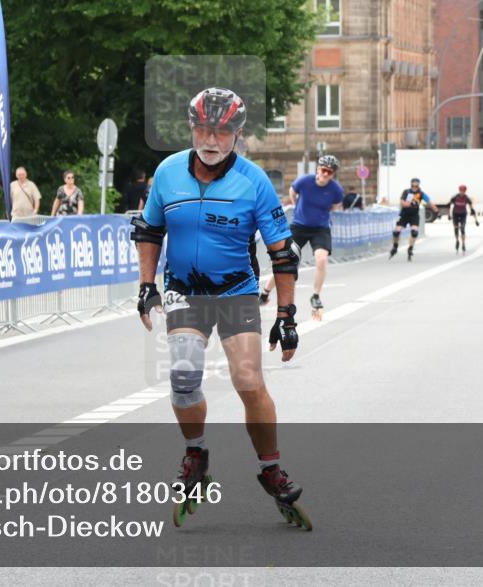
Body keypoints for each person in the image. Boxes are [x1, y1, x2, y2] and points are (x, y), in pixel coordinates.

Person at [133, 87, 310, 529]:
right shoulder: (168, 172)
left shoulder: (254, 182)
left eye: (222, 132)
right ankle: (196, 453)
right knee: (184, 375)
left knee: (248, 380)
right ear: (191, 128)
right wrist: (145, 285)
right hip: (184, 292)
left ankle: (270, 467)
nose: (211, 140)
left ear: (238, 133)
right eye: (203, 129)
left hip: (235, 291)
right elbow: (150, 232)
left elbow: (283, 254)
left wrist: (286, 316)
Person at [259, 155, 344, 319]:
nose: (326, 174)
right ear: (318, 170)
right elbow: (293, 192)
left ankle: (316, 296)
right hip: (300, 226)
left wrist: (322, 215)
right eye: (324, 170)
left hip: (320, 228)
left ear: (333, 174)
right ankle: (265, 292)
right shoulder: (305, 181)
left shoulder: (335, 189)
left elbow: (335, 205)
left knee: (321, 259)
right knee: (286, 261)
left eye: (330, 172)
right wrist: (298, 206)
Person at [389, 177, 437, 261]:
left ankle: (410, 248)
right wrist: (411, 203)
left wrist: (436, 209)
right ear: (411, 185)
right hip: (404, 214)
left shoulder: (421, 194)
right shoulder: (407, 192)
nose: (414, 187)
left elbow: (429, 202)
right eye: (413, 185)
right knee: (396, 232)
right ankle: (395, 246)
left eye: (416, 186)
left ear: (418, 186)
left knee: (414, 232)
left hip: (414, 215)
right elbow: (403, 204)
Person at [445, 184, 479, 254]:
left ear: (465, 191)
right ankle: (457, 240)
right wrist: (449, 214)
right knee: (456, 228)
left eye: (463, 191)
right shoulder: (455, 197)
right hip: (455, 214)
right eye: (461, 191)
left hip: (463, 214)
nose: (462, 192)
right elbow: (449, 205)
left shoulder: (467, 198)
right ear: (459, 190)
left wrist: (476, 220)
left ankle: (463, 243)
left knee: (462, 229)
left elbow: (472, 209)